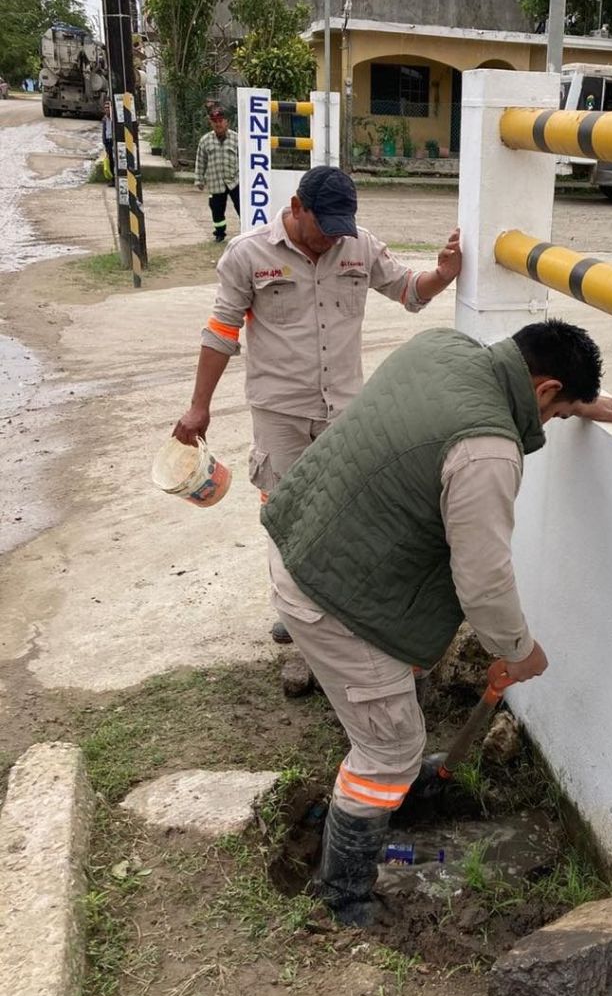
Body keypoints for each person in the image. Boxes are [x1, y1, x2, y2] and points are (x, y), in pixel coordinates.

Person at [261, 319, 612, 926]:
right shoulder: (487, 450)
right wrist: (518, 650)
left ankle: (399, 788)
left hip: (305, 542)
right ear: (544, 389)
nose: (550, 424)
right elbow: (484, 582)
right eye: (557, 412)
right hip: (331, 599)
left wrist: (583, 405)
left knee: (401, 692)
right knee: (389, 749)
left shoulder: (442, 348)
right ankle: (344, 894)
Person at [172, 164, 463, 644]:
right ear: (296, 208)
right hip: (280, 411)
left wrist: (443, 274)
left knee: (345, 511)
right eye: (324, 228)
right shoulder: (249, 254)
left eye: (340, 230)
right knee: (284, 509)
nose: (332, 239)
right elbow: (221, 332)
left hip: (344, 411)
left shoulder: (358, 246)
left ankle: (338, 607)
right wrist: (198, 406)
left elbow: (409, 291)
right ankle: (294, 609)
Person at [194, 106, 240, 242]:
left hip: (235, 180)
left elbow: (244, 159)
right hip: (215, 181)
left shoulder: (237, 139)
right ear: (211, 123)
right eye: (215, 121)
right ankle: (220, 233)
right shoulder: (205, 140)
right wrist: (199, 180)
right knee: (216, 209)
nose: (218, 124)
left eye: (220, 120)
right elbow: (200, 161)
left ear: (227, 122)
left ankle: (246, 230)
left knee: (241, 206)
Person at [100, 99, 114, 180]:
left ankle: (115, 178)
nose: (107, 109)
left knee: (114, 160)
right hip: (108, 142)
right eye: (105, 108)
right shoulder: (104, 119)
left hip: (113, 141)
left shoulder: (114, 119)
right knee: (110, 160)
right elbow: (104, 131)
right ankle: (111, 178)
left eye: (108, 107)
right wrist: (104, 142)